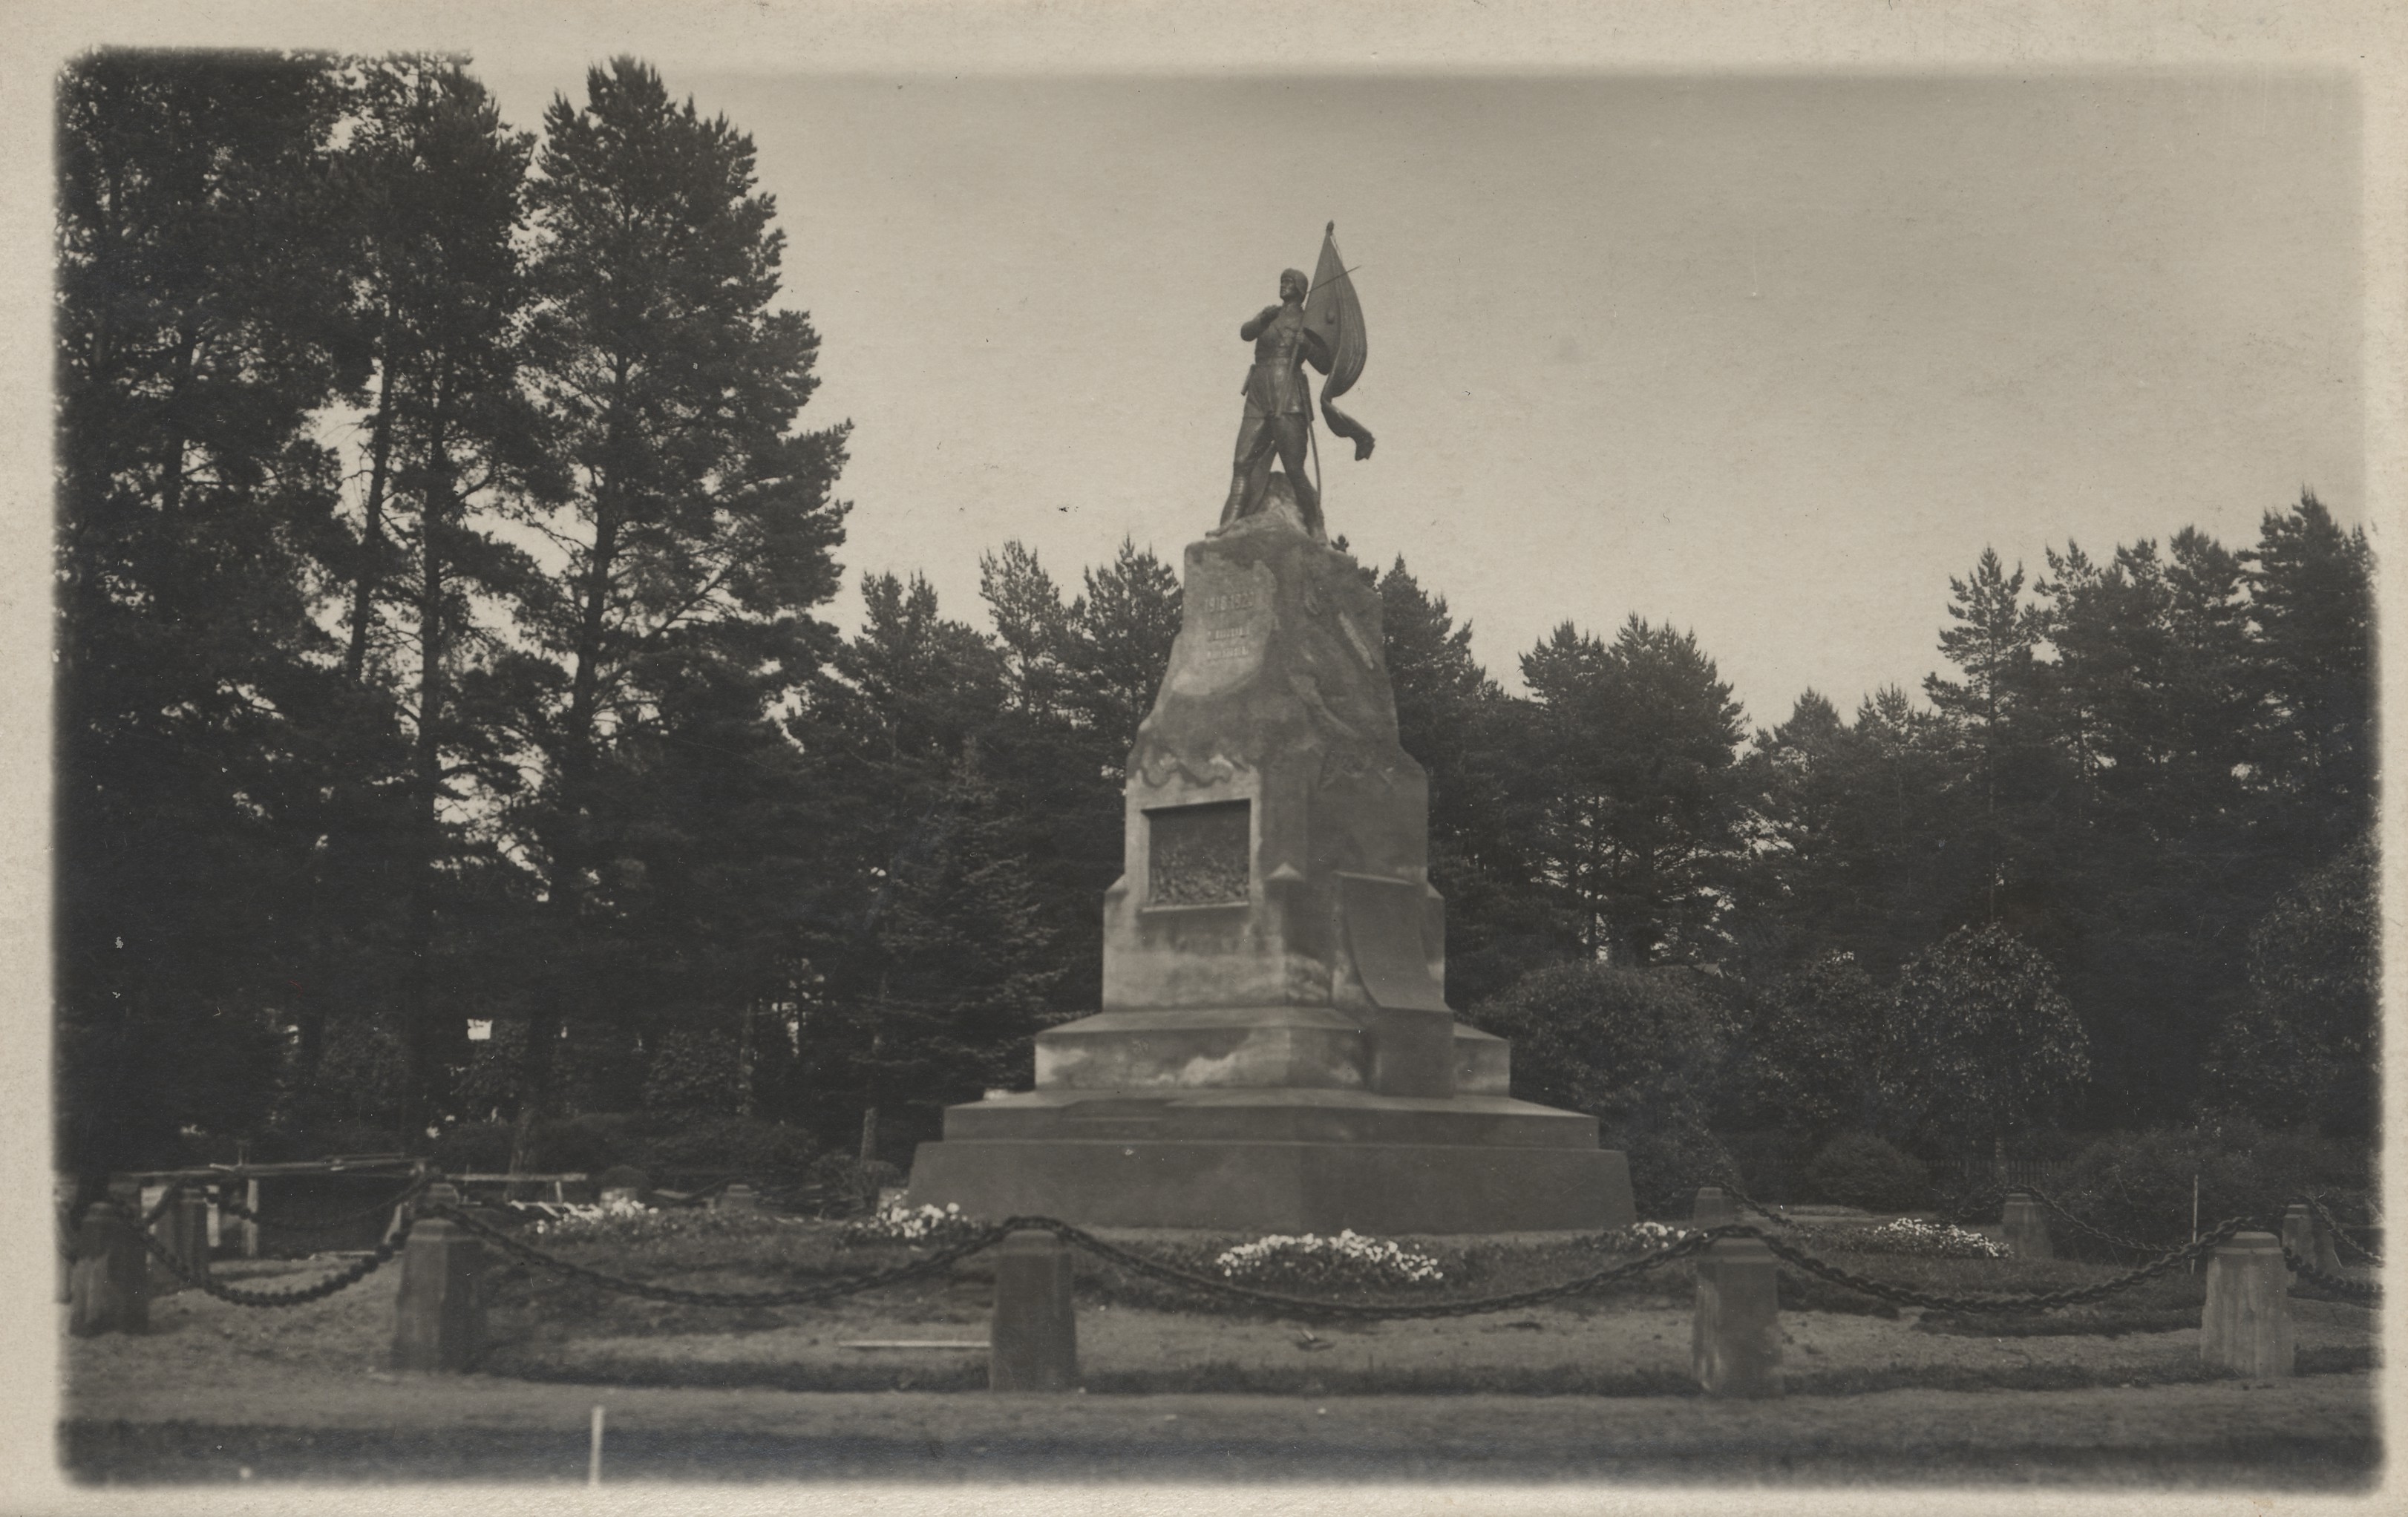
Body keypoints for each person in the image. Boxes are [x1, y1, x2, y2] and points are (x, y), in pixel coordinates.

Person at [1219, 266, 1329, 535]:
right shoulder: (1270, 316)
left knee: (1293, 468)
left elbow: (1325, 365)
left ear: (1301, 290)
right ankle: (1229, 522)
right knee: (1241, 461)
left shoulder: (1308, 323)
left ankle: (1316, 525)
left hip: (1288, 394)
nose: (1283, 285)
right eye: (1282, 280)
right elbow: (1246, 333)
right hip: (1259, 391)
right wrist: (1260, 319)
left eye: (1289, 282)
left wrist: (1308, 347)